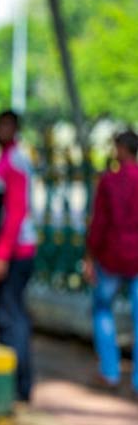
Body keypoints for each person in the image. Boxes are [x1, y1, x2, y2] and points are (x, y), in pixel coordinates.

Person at [0, 109, 37, 402]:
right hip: (9, 250)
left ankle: (19, 385)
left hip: (16, 252)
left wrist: (2, 255)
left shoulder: (16, 160)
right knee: (6, 317)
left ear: (14, 128)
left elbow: (16, 211)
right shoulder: (3, 159)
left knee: (12, 317)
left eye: (5, 125)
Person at [83, 130, 138, 396]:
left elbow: (100, 222)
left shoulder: (110, 181)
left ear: (121, 149)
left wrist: (90, 255)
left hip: (113, 255)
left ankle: (110, 371)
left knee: (103, 309)